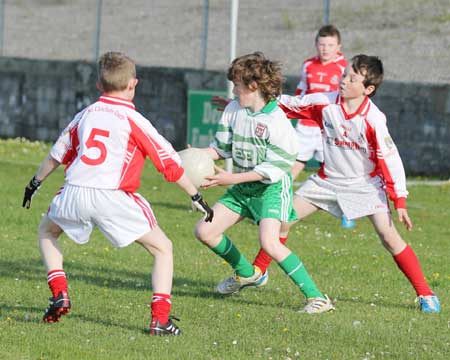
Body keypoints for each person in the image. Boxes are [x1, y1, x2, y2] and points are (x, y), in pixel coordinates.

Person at [22, 51, 214, 335]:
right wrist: (195, 195)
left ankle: (60, 293)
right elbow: (169, 163)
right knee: (163, 249)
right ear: (133, 84)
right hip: (113, 196)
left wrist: (34, 183)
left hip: (74, 192)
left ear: (99, 85)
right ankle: (160, 319)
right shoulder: (134, 120)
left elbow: (57, 154)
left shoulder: (85, 115)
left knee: (46, 232)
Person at [275, 54, 439, 313]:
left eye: (352, 79)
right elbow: (288, 105)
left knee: (389, 237)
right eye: (344, 74)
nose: (343, 81)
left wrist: (400, 200)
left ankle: (426, 294)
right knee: (282, 221)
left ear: (368, 89)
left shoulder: (374, 119)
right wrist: (246, 102)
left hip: (363, 185)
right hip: (326, 181)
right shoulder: (325, 103)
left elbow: (390, 160)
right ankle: (257, 273)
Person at [194, 52, 334, 314]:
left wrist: (229, 178)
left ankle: (317, 298)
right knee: (204, 231)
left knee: (270, 243)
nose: (233, 90)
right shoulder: (233, 109)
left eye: (237, 85)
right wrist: (196, 157)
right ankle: (248, 273)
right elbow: (220, 149)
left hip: (271, 189)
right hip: (243, 187)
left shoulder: (277, 121)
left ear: (253, 86)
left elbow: (272, 170)